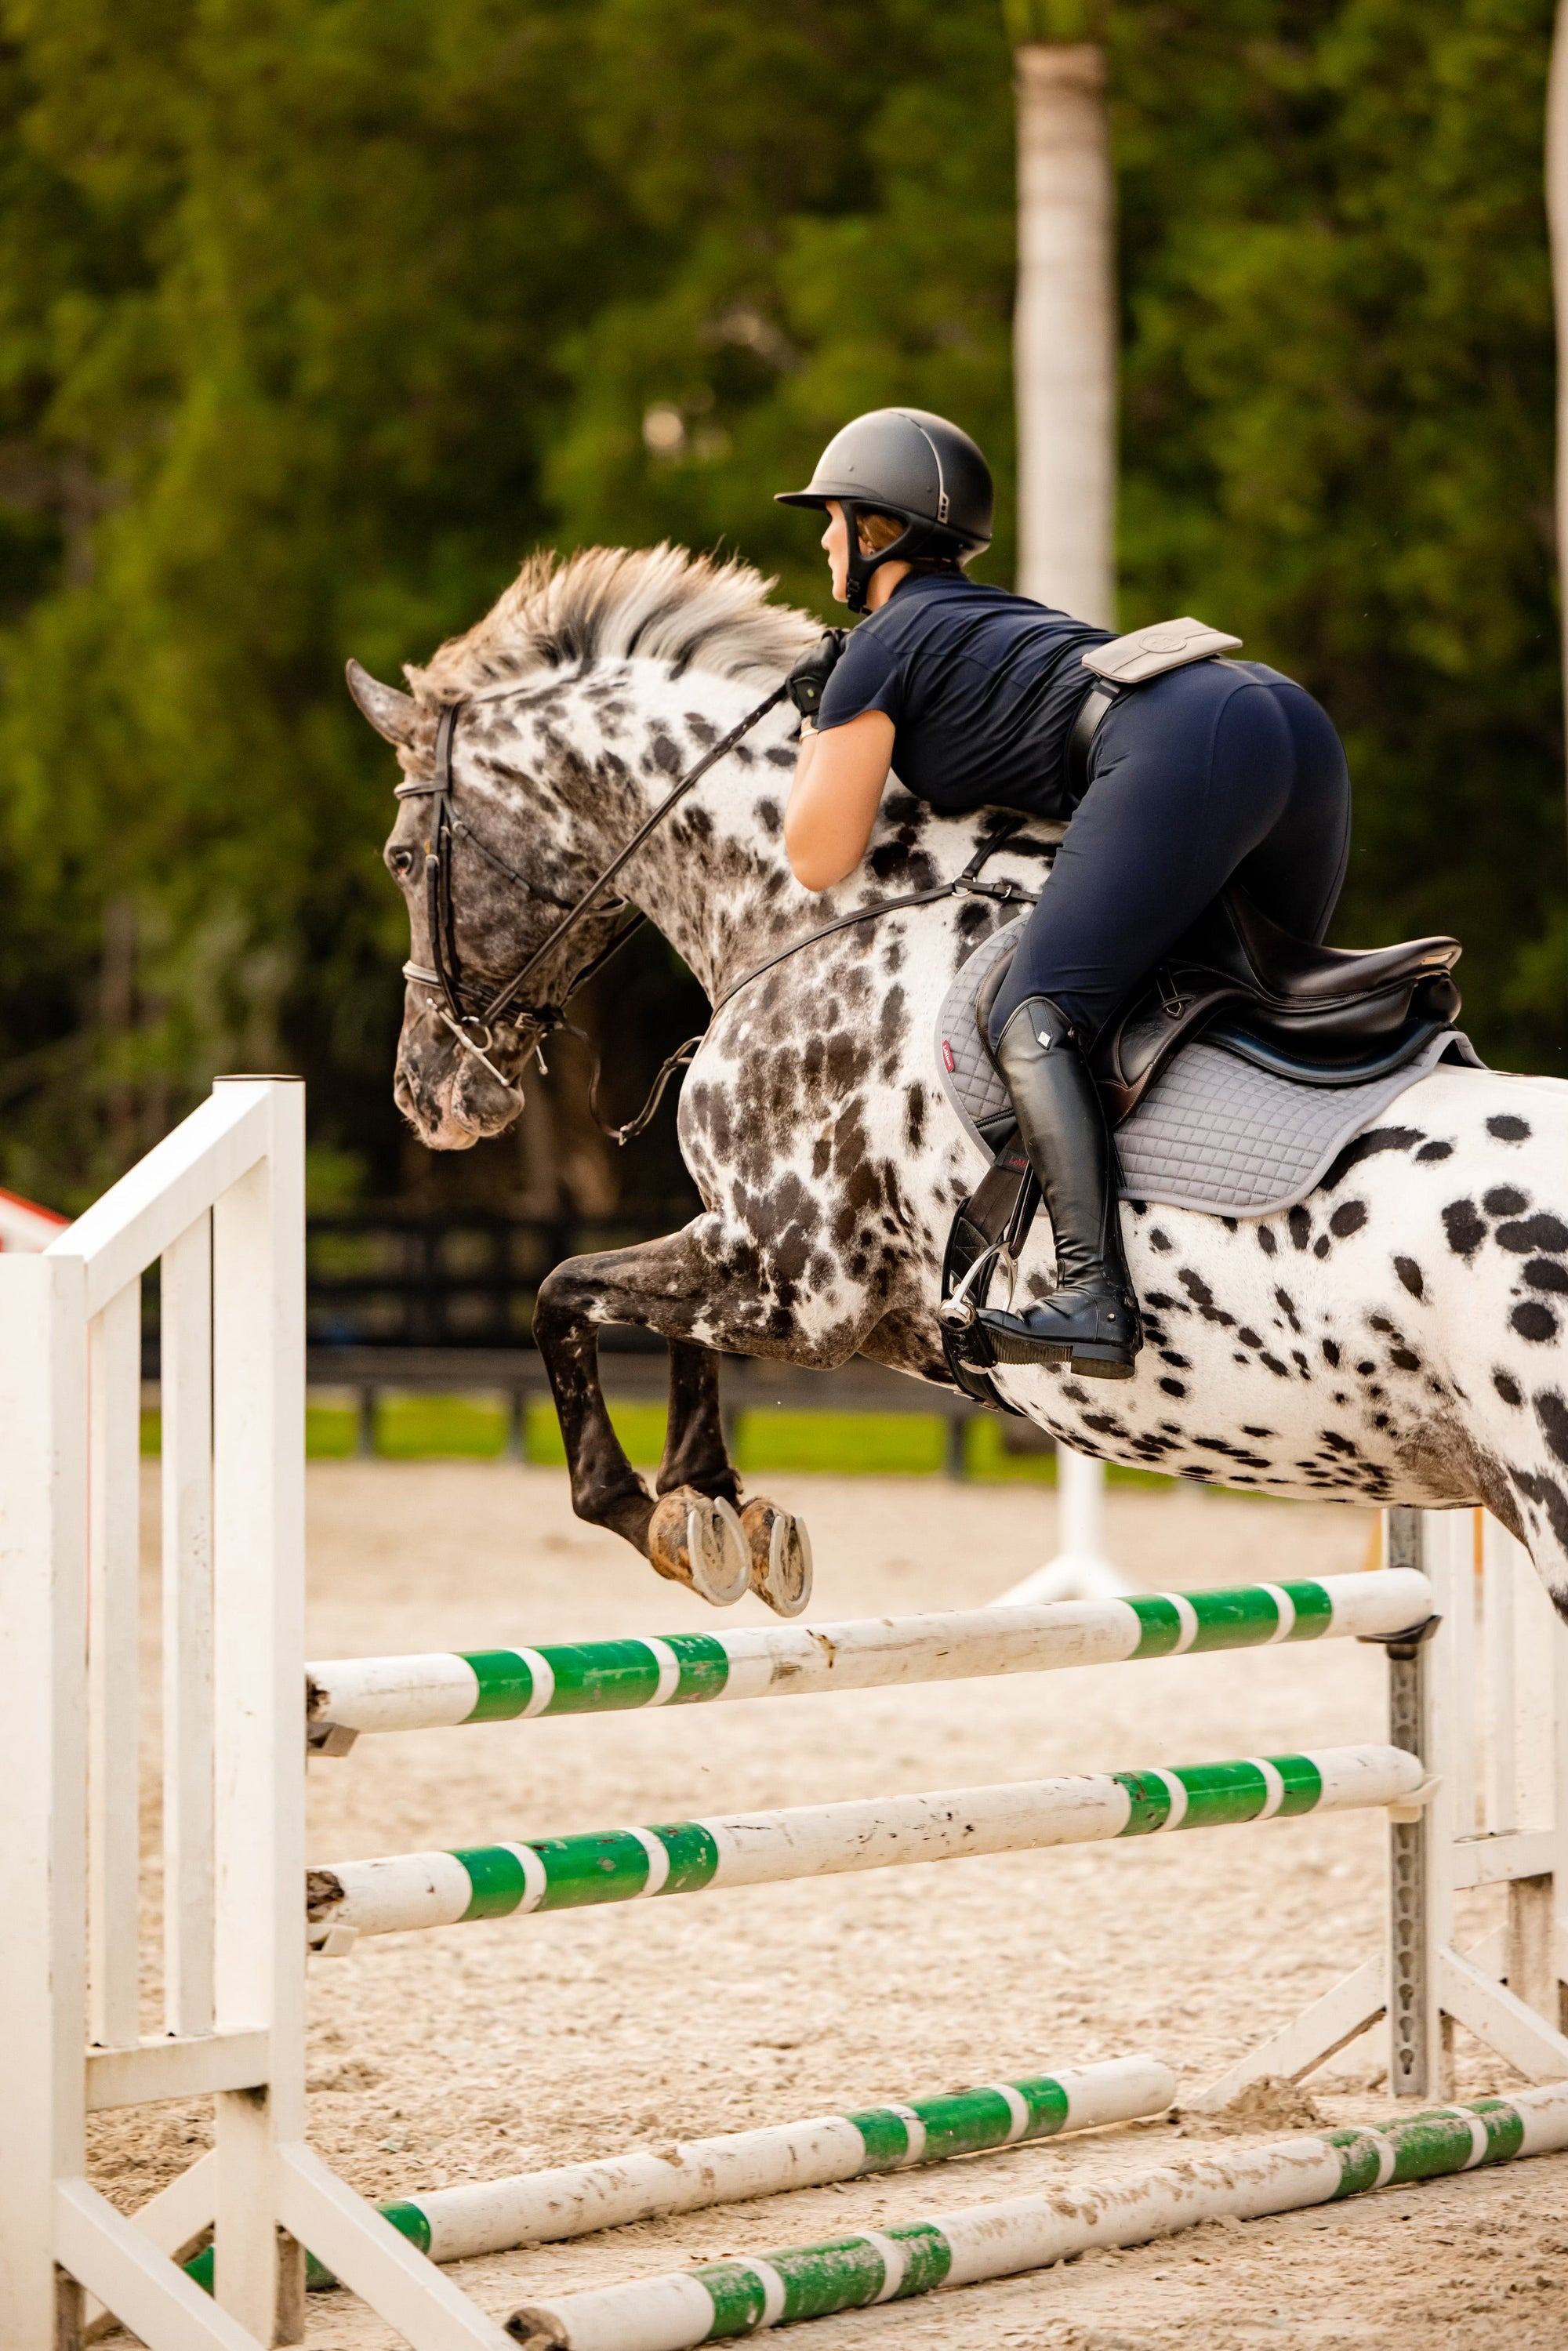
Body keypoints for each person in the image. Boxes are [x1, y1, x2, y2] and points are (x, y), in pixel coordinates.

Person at [775, 407, 1351, 1380]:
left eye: (833, 520)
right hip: (1278, 719)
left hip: (1178, 739)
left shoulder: (877, 648)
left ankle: (1091, 1292)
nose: (824, 539)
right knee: (1241, 1000)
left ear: (876, 531)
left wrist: (817, 717)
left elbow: (816, 852)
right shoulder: (986, 620)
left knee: (1032, 1017)